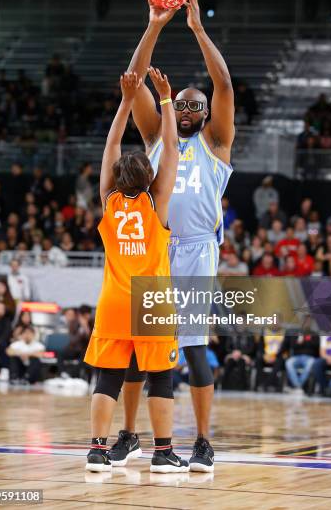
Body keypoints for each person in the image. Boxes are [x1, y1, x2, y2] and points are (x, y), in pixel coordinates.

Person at [115, 0, 234, 472]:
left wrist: (198, 29)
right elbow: (134, 79)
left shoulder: (218, 142)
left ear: (205, 114)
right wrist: (155, 25)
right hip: (156, 249)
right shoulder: (154, 135)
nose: (185, 110)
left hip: (198, 251)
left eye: (194, 106)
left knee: (194, 348)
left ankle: (203, 442)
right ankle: (129, 435)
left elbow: (223, 84)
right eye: (180, 105)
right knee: (140, 350)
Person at [84, 68, 188, 474]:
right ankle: (163, 453)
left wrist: (127, 100)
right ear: (149, 177)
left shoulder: (109, 200)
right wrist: (164, 100)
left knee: (107, 378)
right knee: (160, 379)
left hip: (112, 299)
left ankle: (96, 450)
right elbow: (173, 150)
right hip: (152, 298)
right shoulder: (156, 202)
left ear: (115, 178)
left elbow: (111, 144)